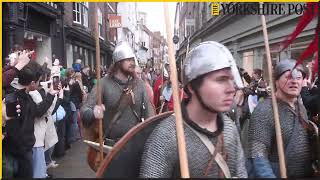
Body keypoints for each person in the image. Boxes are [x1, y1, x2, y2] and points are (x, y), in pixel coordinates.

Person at [139, 41, 247, 178]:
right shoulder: (167, 136)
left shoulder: (229, 129)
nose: (231, 89)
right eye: (221, 80)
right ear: (192, 87)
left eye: (231, 80)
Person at [80, 41, 155, 169]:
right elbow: (84, 111)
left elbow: (150, 117)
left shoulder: (139, 85)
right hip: (110, 148)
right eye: (128, 60)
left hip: (133, 147)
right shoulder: (103, 84)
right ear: (118, 62)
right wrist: (93, 113)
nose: (132, 63)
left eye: (133, 59)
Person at [246, 59, 313, 178]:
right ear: (276, 82)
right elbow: (258, 154)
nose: (294, 81)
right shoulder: (265, 110)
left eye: (298, 78)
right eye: (288, 77)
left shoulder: (301, 108)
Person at [2, 61, 59, 178]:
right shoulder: (14, 98)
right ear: (33, 82)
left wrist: (51, 94)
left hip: (24, 149)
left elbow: (37, 111)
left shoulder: (25, 95)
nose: (39, 84)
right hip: (21, 151)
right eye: (38, 81)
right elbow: (13, 130)